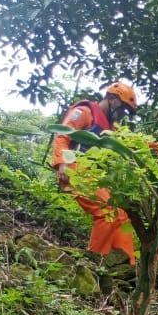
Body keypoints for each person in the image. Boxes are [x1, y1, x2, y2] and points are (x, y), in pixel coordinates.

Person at [50, 82, 139, 265]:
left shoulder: (111, 129)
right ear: (112, 99)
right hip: (75, 168)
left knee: (122, 215)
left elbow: (131, 144)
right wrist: (62, 164)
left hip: (95, 176)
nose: (122, 114)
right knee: (107, 211)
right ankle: (95, 262)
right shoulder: (84, 112)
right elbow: (62, 135)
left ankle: (126, 266)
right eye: (122, 109)